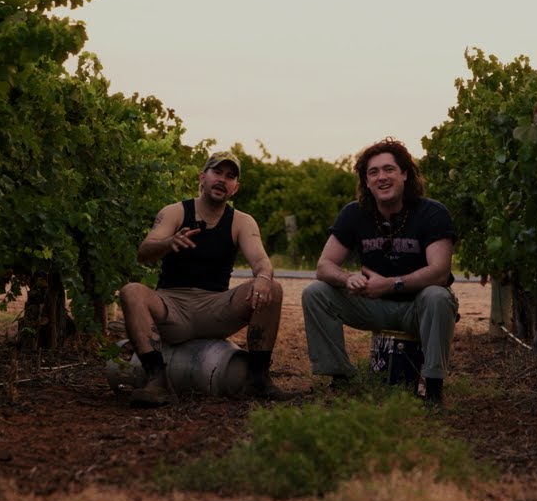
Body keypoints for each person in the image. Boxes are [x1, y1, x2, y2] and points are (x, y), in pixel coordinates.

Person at [121, 152, 291, 407]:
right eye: (217, 172)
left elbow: (260, 260)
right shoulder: (175, 212)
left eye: (230, 176)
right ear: (202, 177)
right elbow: (144, 252)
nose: (222, 179)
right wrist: (169, 242)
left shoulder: (242, 221)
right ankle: (157, 381)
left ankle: (258, 380)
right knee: (131, 291)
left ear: (235, 188)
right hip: (172, 307)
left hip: (215, 309)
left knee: (273, 288)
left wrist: (264, 277)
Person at [301, 137, 458, 406]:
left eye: (389, 169)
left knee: (438, 295)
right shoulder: (354, 213)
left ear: (405, 174)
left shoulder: (432, 212)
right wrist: (348, 278)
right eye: (373, 172)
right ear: (366, 181)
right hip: (373, 306)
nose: (381, 177)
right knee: (315, 293)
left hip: (418, 308)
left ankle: (432, 387)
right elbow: (324, 266)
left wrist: (391, 283)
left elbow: (440, 272)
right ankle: (341, 377)